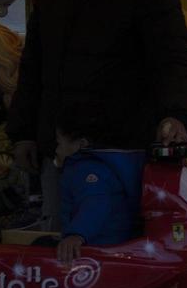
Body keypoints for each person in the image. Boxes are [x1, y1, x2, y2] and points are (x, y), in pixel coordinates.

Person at [7, 0, 187, 223]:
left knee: (114, 250)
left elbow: (171, 58)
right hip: (61, 154)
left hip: (122, 151)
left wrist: (175, 114)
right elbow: (34, 64)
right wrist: (23, 132)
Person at [54, 101, 145, 266]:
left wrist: (77, 234)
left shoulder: (89, 170)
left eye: (59, 143)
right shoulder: (85, 166)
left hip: (101, 247)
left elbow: (96, 203)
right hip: (97, 242)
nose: (56, 150)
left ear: (81, 144)